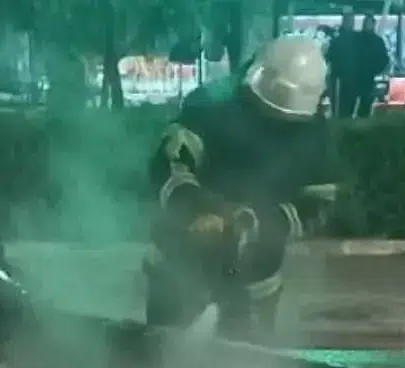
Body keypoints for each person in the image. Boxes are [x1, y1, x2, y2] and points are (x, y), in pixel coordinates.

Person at [144, 35, 339, 342]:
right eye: (267, 113)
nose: (275, 127)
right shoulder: (208, 107)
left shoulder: (313, 131)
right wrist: (201, 208)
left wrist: (257, 222)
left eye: (286, 122)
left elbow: (320, 202)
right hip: (179, 263)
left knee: (248, 360)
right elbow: (168, 167)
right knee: (162, 353)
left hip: (256, 276)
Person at [325, 12, 389, 118]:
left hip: (366, 78)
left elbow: (383, 59)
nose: (366, 25)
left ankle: (359, 121)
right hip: (354, 78)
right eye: (365, 23)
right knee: (348, 105)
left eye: (368, 23)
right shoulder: (357, 38)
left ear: (373, 25)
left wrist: (374, 70)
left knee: (364, 105)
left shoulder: (375, 41)